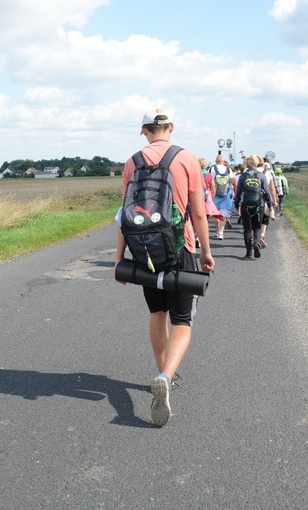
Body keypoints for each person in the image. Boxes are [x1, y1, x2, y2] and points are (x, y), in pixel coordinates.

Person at [115, 107, 214, 427]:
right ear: (171, 127)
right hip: (179, 248)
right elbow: (198, 213)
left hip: (145, 252)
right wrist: (205, 252)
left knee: (158, 314)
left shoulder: (133, 162)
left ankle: (163, 371)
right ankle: (166, 378)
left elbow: (123, 215)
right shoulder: (186, 159)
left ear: (143, 129)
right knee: (183, 320)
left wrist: (120, 258)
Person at [233, 154, 273, 259]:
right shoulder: (261, 176)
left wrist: (236, 204)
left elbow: (238, 193)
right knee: (257, 227)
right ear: (257, 163)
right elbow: (267, 192)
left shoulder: (242, 176)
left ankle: (249, 253)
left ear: (247, 163)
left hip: (245, 205)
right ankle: (257, 244)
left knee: (247, 228)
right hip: (258, 205)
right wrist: (270, 204)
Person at [211, 154, 237, 240]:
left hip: (215, 194)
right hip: (226, 194)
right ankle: (221, 233)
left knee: (216, 214)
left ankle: (218, 231)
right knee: (224, 214)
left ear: (216, 161)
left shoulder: (212, 169)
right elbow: (233, 181)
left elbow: (209, 180)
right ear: (223, 161)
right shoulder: (228, 170)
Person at [259, 154, 279, 248]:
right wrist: (274, 200)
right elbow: (271, 189)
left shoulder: (248, 172)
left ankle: (252, 238)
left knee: (252, 219)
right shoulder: (268, 173)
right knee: (266, 216)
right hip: (265, 198)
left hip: (251, 198)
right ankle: (262, 235)